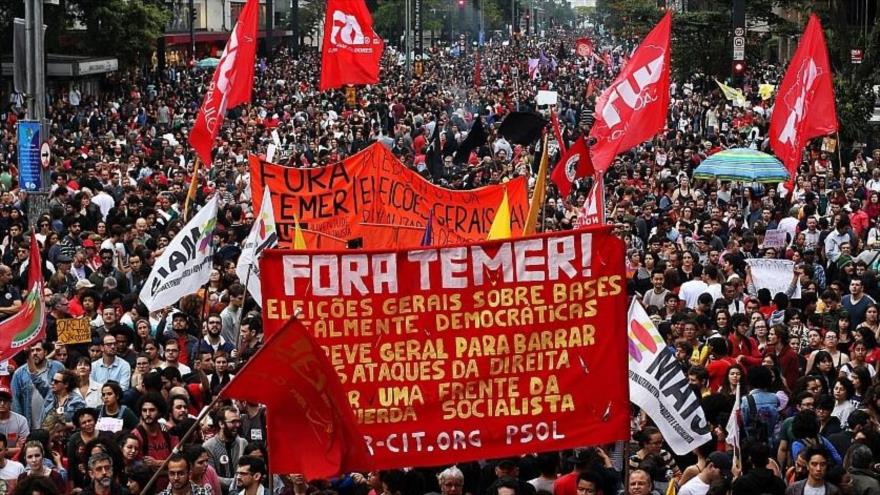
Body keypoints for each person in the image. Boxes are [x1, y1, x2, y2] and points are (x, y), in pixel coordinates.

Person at [12, 344, 65, 429]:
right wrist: (20, 425)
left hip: (53, 424)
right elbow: (15, 401)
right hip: (30, 424)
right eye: (32, 351)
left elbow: (65, 391)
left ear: (45, 352)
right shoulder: (19, 373)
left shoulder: (57, 367)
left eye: (38, 350)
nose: (34, 353)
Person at [204, 407, 247, 492]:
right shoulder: (208, 447)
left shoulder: (243, 443)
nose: (237, 425)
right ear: (221, 424)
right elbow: (211, 476)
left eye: (238, 421)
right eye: (233, 422)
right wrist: (235, 482)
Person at [0, 386, 29, 460]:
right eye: (0, 400)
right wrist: (16, 448)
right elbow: (20, 448)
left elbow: (26, 447)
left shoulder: (21, 420)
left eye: (5, 400)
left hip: (16, 459)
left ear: (11, 402)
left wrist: (19, 449)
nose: (2, 403)